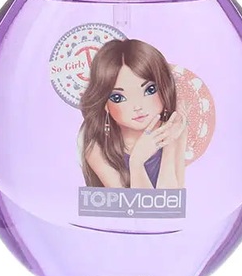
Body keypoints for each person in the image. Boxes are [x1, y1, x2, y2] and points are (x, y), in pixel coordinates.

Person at [79, 39, 187, 189]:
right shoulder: (97, 150)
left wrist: (170, 145)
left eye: (149, 90)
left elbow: (172, 198)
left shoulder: (175, 127)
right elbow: (136, 203)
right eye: (118, 97)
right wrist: (136, 163)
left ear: (164, 88)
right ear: (105, 104)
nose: (137, 106)